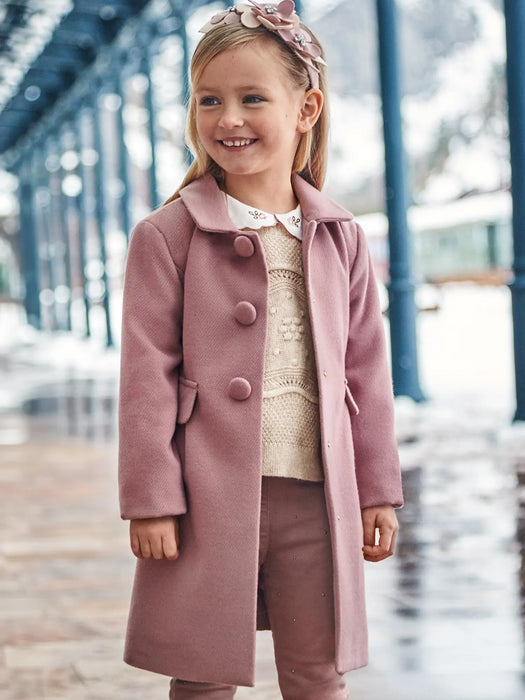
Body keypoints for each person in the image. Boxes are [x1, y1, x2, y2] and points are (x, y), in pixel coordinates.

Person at [118, 1, 404, 698]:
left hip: (316, 495)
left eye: (252, 98)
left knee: (316, 673)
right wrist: (151, 498)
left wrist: (377, 490)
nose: (227, 119)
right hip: (203, 497)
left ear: (305, 108)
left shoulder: (340, 237)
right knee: (204, 671)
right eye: (208, 99)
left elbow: (365, 372)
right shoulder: (167, 236)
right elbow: (146, 377)